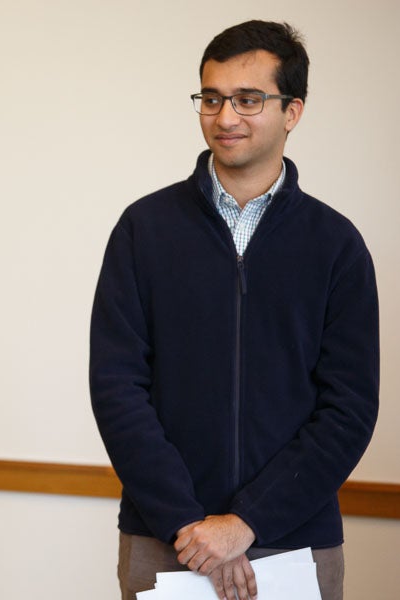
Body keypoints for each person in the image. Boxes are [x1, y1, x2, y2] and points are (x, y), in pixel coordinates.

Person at [89, 20, 378, 600]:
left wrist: (244, 524)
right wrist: (189, 525)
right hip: (167, 534)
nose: (225, 117)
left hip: (296, 541)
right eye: (212, 98)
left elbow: (348, 408)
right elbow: (117, 388)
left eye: (248, 100)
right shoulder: (144, 229)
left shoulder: (336, 244)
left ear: (292, 110)